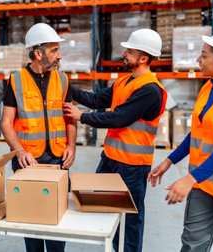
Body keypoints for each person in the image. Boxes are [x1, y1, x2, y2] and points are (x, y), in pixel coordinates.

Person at [63, 29, 167, 252]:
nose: (124, 54)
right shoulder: (124, 82)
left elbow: (119, 118)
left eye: (129, 51)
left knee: (130, 220)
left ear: (143, 58)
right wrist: (63, 84)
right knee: (101, 209)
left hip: (133, 167)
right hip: (110, 159)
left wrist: (82, 117)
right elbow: (95, 99)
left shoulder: (151, 91)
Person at [148, 27, 213, 252]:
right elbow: (198, 132)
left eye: (204, 56)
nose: (198, 59)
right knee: (192, 246)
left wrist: (188, 179)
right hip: (203, 185)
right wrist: (170, 160)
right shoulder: (207, 88)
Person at [1, 23, 76, 252]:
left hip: (57, 159)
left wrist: (72, 146)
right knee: (31, 221)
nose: (59, 56)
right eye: (53, 51)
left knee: (56, 222)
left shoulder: (62, 80)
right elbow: (6, 123)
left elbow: (70, 118)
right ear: (38, 53)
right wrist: (20, 152)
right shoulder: (15, 81)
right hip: (28, 161)